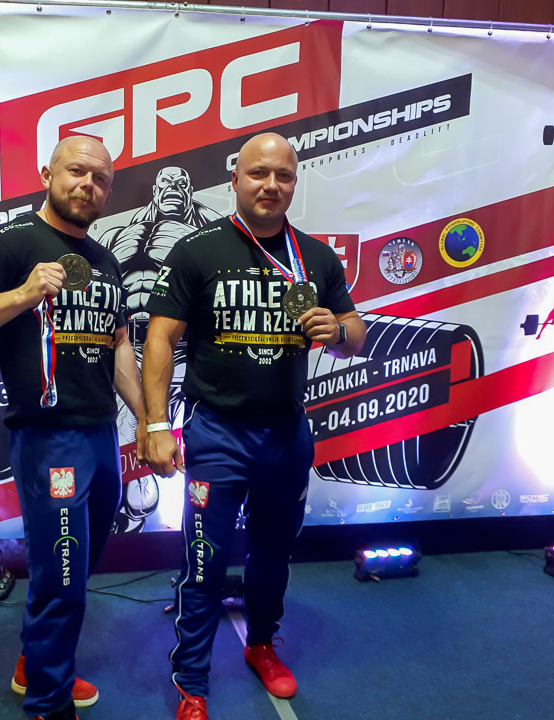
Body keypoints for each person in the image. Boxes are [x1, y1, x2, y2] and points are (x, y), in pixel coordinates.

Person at [141, 133, 366, 720]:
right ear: (235, 180)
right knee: (204, 558)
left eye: (283, 176)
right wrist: (157, 423)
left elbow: (355, 332)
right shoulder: (197, 250)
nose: (271, 185)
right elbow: (160, 336)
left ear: (294, 183)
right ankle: (192, 681)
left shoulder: (315, 257)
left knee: (273, 552)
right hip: (217, 433)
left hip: (285, 435)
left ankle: (262, 642)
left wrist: (338, 332)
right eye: (258, 173)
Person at [0, 135, 146, 720]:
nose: (88, 185)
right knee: (63, 575)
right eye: (76, 171)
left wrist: (148, 419)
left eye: (100, 179)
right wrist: (24, 293)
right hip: (48, 439)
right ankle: (49, 705)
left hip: (101, 435)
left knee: (77, 565)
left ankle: (35, 662)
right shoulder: (10, 241)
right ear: (47, 174)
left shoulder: (103, 259)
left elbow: (118, 344)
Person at [98, 166, 221, 532]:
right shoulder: (117, 235)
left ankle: (207, 530)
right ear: (154, 189)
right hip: (130, 348)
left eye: (181, 182)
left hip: (187, 353)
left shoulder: (212, 232)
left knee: (201, 450)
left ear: (190, 191)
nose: (173, 188)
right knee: (130, 445)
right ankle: (133, 525)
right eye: (166, 182)